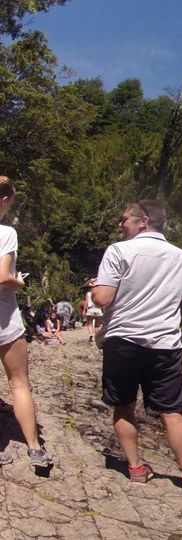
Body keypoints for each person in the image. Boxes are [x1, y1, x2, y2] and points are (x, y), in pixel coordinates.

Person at [90, 200, 182, 499]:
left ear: (144, 221)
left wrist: (94, 288)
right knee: (172, 413)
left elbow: (102, 298)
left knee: (124, 406)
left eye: (124, 218)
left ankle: (137, 469)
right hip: (164, 344)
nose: (120, 224)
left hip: (123, 341)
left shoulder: (118, 251)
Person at [0, 176, 53, 467]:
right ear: (3, 200)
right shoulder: (6, 232)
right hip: (4, 319)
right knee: (19, 384)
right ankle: (34, 447)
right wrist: (19, 282)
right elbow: (3, 277)